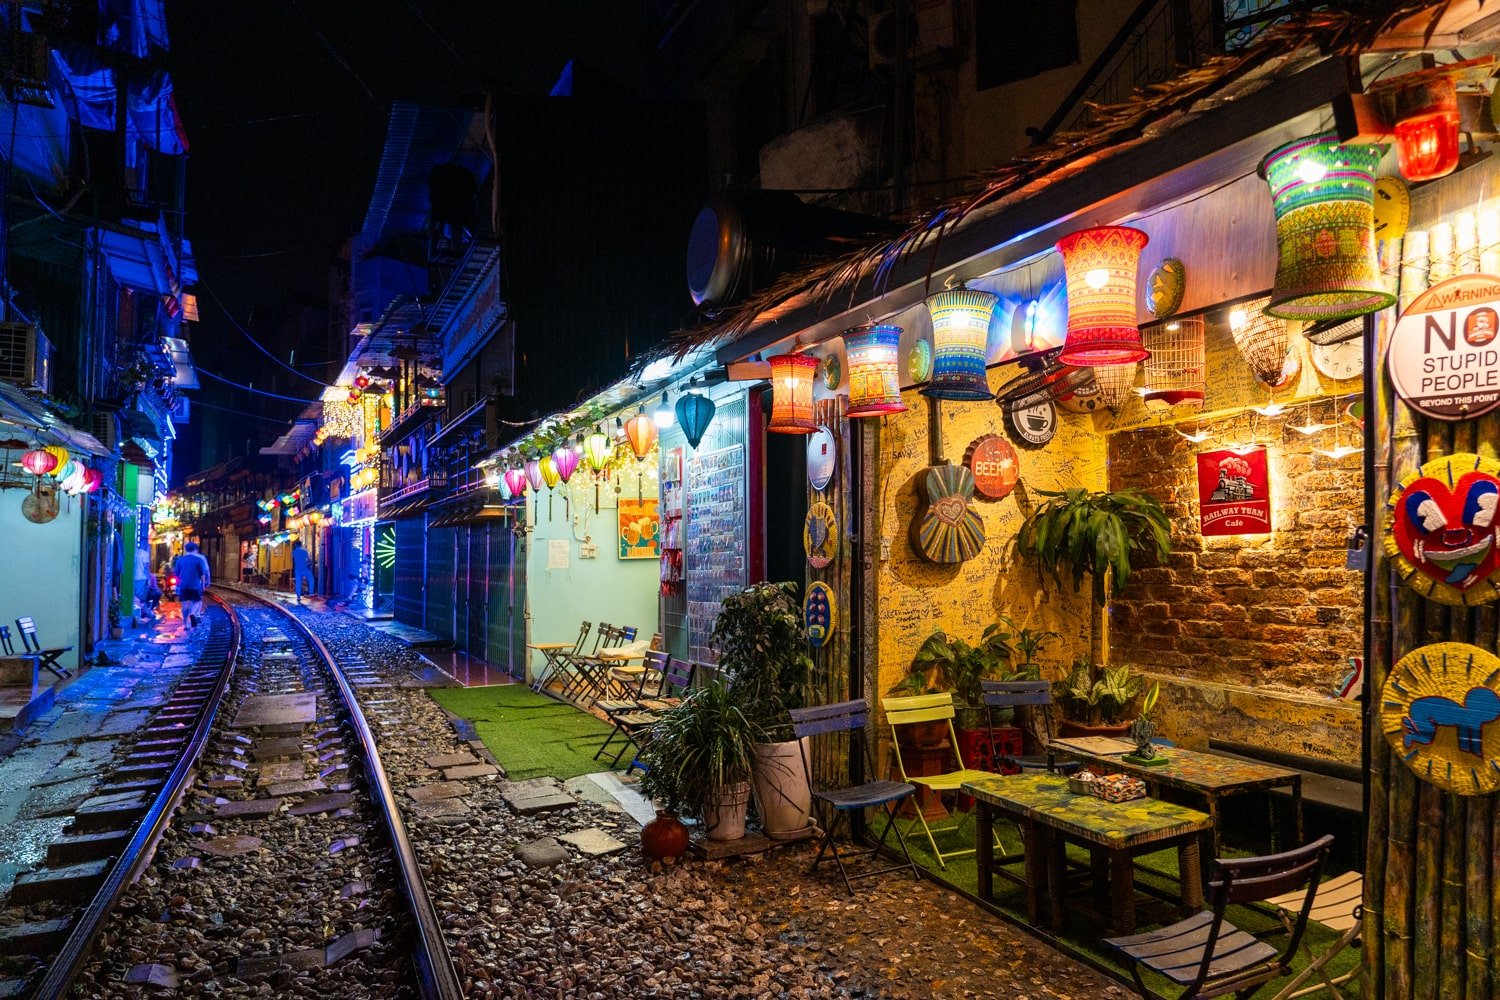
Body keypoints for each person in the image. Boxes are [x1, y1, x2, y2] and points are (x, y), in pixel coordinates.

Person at [174, 541, 211, 630]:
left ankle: (185, 624)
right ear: (195, 549)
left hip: (183, 585)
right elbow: (202, 574)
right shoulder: (199, 559)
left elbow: (176, 575)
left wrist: (177, 586)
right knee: (197, 601)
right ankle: (193, 613)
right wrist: (203, 585)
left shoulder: (180, 560)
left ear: (186, 549)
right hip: (195, 585)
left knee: (184, 605)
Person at [134, 545, 155, 622]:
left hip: (131, 577)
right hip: (141, 578)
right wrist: (149, 578)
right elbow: (146, 567)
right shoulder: (144, 554)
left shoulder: (133, 552)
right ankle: (140, 614)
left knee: (135, 596)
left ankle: (141, 613)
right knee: (141, 597)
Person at [291, 540, 315, 604]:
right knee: (311, 579)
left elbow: (293, 559)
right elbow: (309, 560)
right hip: (305, 569)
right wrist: (310, 564)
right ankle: (311, 593)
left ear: (296, 545)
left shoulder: (293, 552)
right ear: (301, 545)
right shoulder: (305, 551)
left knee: (298, 582)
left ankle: (298, 596)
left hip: (297, 570)